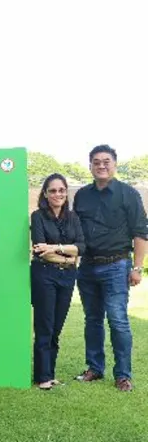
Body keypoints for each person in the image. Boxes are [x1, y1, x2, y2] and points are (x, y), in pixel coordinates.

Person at [72, 144, 147, 391]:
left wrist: (137, 268)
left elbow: (140, 232)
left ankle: (123, 375)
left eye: (106, 161)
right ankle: (95, 368)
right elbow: (75, 231)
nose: (101, 166)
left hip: (116, 266)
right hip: (87, 267)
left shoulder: (129, 194)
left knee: (118, 320)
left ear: (114, 164)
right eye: (96, 162)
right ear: (90, 166)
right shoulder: (82, 195)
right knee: (92, 320)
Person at [30, 173, 85, 390]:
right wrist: (68, 256)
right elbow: (39, 250)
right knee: (45, 326)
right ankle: (42, 377)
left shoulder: (73, 217)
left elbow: (81, 247)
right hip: (44, 275)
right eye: (52, 190)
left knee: (56, 327)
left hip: (67, 277)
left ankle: (49, 373)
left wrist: (54, 248)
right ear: (45, 194)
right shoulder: (38, 216)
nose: (57, 194)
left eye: (61, 190)